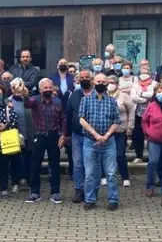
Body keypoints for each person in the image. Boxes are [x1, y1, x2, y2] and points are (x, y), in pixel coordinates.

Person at [79, 73, 121, 211]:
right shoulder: (86, 100)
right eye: (98, 81)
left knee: (111, 173)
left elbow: (116, 121)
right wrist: (96, 134)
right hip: (90, 141)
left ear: (107, 83)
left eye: (103, 81)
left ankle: (113, 200)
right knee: (90, 173)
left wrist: (107, 135)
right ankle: (90, 199)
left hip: (108, 142)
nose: (101, 84)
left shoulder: (112, 101)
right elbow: (82, 119)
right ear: (93, 82)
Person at [23, 78, 67, 204]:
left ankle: (55, 192)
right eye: (45, 88)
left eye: (50, 87)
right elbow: (26, 104)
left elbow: (63, 120)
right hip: (39, 135)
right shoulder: (35, 100)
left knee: (55, 165)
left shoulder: (58, 101)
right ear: (40, 89)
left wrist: (63, 135)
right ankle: (35, 192)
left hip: (54, 136)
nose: (48, 90)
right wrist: (25, 94)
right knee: (35, 164)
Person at [66, 70, 93, 203]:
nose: (84, 79)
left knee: (90, 165)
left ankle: (90, 191)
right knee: (77, 164)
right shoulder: (74, 95)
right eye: (82, 77)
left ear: (91, 80)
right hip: (76, 135)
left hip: (92, 135)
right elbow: (68, 115)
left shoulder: (97, 94)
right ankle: (79, 189)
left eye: (87, 77)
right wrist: (66, 134)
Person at [109, 74, 135, 188]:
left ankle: (125, 177)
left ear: (117, 84)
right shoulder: (104, 95)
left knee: (120, 154)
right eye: (108, 83)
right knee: (107, 155)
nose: (110, 85)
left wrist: (130, 127)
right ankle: (105, 176)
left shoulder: (124, 96)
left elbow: (131, 112)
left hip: (121, 130)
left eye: (112, 83)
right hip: (106, 131)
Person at [131, 66, 156, 163]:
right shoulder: (135, 84)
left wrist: (140, 94)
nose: (144, 75)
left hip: (151, 113)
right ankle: (139, 156)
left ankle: (152, 156)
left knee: (151, 135)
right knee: (138, 135)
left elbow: (153, 95)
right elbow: (133, 97)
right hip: (138, 114)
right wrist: (145, 99)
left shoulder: (155, 84)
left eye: (146, 72)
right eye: (142, 73)